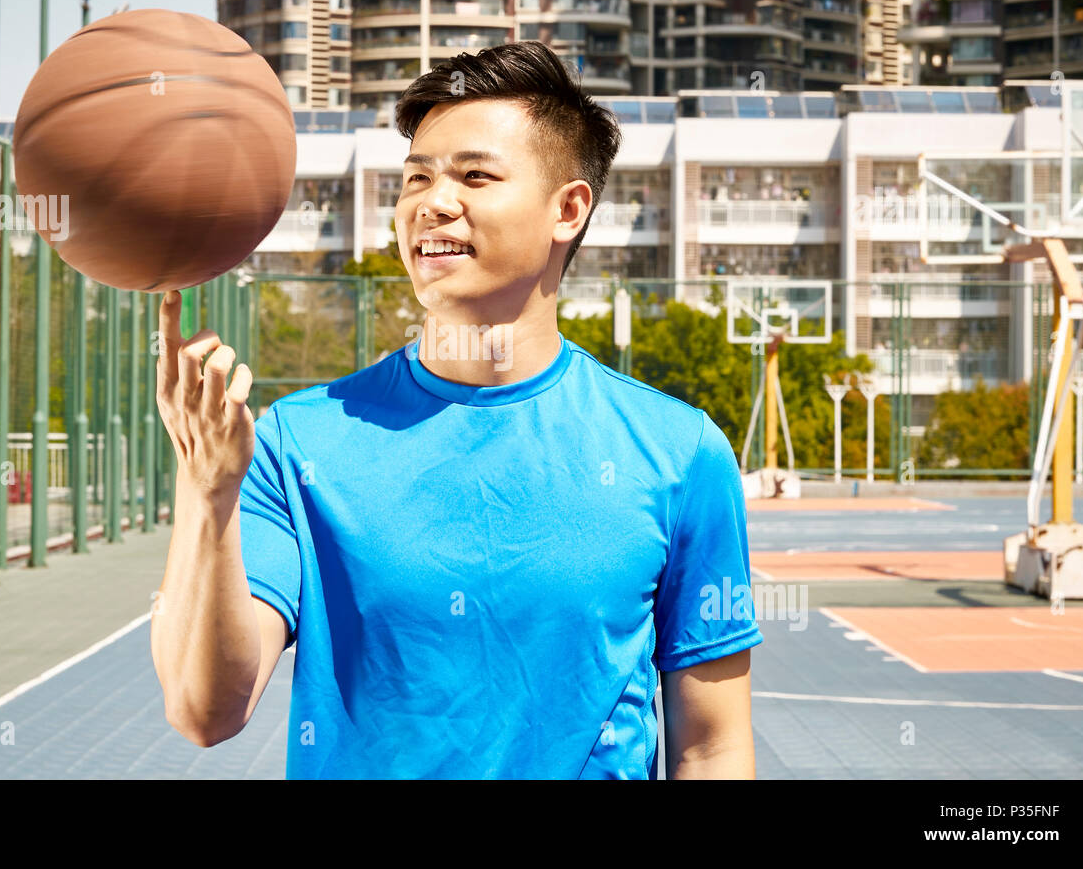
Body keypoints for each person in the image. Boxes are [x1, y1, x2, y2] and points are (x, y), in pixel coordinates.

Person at [150, 40, 761, 779]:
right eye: (416, 179)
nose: (432, 203)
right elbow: (204, 711)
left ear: (568, 209)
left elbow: (712, 744)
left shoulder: (680, 451)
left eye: (475, 175)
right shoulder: (295, 441)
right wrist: (206, 491)